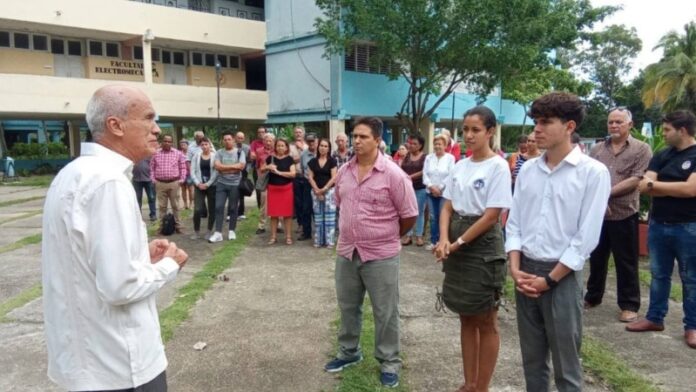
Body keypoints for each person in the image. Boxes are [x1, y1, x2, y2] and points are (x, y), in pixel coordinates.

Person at [42, 85, 188, 392]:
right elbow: (120, 285)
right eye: (148, 118)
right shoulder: (109, 182)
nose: (157, 129)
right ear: (115, 125)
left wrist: (138, 255)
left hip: (85, 362)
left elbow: (83, 260)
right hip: (122, 364)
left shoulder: (72, 174)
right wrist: (168, 265)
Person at [505, 92, 610, 391]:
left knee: (567, 363)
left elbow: (586, 237)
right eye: (536, 121)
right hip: (525, 269)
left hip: (561, 274)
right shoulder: (528, 171)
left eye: (546, 122)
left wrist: (550, 280)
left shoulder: (592, 173)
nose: (536, 129)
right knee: (532, 358)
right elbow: (515, 225)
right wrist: (515, 269)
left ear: (569, 126)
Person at [324, 117, 417, 388]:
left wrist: (386, 236)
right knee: (348, 306)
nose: (357, 141)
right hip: (347, 251)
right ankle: (349, 352)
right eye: (354, 136)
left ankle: (389, 361)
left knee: (385, 311)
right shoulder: (344, 171)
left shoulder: (394, 175)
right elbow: (341, 202)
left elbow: (409, 216)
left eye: (363, 136)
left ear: (378, 140)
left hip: (382, 255)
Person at [434, 106, 512, 392]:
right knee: (465, 315)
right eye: (465, 129)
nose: (468, 135)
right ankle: (469, 383)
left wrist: (456, 244)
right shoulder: (459, 165)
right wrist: (443, 238)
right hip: (456, 243)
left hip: (483, 247)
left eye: (475, 130)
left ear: (490, 132)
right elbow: (447, 206)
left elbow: (492, 215)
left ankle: (483, 386)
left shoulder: (498, 166)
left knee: (486, 318)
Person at [628, 110, 696, 350]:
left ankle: (692, 326)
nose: (663, 134)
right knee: (659, 274)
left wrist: (655, 185)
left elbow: (691, 190)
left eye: (667, 130)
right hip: (659, 224)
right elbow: (643, 186)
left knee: (691, 278)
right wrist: (663, 186)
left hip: (689, 226)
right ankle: (655, 318)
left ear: (683, 130)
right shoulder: (662, 154)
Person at [584, 107, 652, 323]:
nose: (613, 125)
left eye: (619, 122)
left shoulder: (641, 149)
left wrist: (603, 195)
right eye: (611, 121)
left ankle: (629, 304)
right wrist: (598, 200)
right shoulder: (596, 150)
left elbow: (636, 178)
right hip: (597, 214)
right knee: (596, 258)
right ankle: (593, 297)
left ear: (630, 125)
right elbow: (588, 177)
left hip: (624, 213)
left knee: (626, 261)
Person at [209, 132, 245, 243]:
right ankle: (218, 232)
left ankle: (231, 231)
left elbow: (241, 166)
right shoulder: (219, 152)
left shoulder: (239, 152)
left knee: (233, 208)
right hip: (221, 183)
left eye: (229, 139)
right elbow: (217, 166)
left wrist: (224, 168)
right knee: (218, 207)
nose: (227, 141)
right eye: (225, 139)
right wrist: (232, 168)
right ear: (222, 141)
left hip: (235, 184)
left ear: (233, 140)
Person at [423, 134, 455, 251]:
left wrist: (440, 188)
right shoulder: (428, 158)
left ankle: (443, 241)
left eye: (440, 144)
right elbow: (425, 174)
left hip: (444, 193)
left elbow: (451, 175)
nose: (437, 146)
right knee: (432, 217)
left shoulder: (450, 158)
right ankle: (433, 241)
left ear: (445, 145)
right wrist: (431, 186)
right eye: (435, 144)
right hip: (430, 192)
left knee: (443, 217)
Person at [150, 134, 187, 234]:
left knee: (176, 206)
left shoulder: (178, 153)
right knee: (162, 207)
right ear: (162, 142)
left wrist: (182, 179)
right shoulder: (155, 153)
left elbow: (183, 167)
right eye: (165, 141)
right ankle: (161, 227)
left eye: (169, 141)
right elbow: (152, 168)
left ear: (172, 143)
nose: (167, 143)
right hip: (160, 183)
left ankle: (179, 226)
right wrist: (153, 180)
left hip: (174, 183)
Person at [264, 138, 296, 245]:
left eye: (282, 145)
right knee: (273, 215)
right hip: (273, 189)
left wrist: (279, 172)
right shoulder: (270, 158)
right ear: (275, 147)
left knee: (287, 215)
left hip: (286, 189)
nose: (280, 147)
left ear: (286, 147)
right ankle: (273, 237)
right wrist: (268, 166)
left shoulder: (290, 159)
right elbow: (261, 169)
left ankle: (288, 237)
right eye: (278, 145)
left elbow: (293, 174)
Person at [308, 138, 338, 247]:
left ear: (329, 148)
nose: (323, 148)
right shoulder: (312, 161)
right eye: (321, 145)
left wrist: (324, 189)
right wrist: (317, 190)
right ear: (318, 146)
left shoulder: (332, 161)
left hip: (329, 191)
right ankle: (318, 241)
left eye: (326, 146)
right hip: (315, 192)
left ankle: (329, 241)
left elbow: (334, 177)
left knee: (330, 217)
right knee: (318, 217)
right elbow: (310, 177)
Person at [401, 134, 427, 246]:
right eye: (410, 143)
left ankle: (419, 236)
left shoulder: (425, 157)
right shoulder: (407, 156)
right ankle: (408, 235)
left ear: (420, 145)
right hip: (407, 188)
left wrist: (410, 177)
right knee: (407, 212)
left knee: (419, 212)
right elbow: (402, 168)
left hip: (420, 188)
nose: (411, 145)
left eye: (414, 144)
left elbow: (425, 171)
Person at [190, 137, 218, 240]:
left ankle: (209, 231)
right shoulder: (196, 156)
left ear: (210, 145)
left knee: (212, 210)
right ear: (200, 146)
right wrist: (198, 183)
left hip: (211, 186)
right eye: (202, 144)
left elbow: (216, 172)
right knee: (197, 209)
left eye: (206, 144)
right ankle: (196, 231)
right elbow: (192, 171)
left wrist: (208, 183)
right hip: (199, 186)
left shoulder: (215, 156)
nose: (205, 146)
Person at [250, 132, 275, 234]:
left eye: (270, 141)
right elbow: (257, 166)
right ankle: (261, 226)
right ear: (263, 141)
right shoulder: (259, 151)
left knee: (276, 202)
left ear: (273, 142)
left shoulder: (277, 150)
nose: (268, 143)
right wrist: (260, 176)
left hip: (276, 180)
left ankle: (277, 225)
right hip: (264, 179)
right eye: (266, 140)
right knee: (263, 203)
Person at [297, 133, 318, 241]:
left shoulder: (322, 152)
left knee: (318, 209)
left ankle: (319, 232)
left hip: (320, 184)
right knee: (306, 208)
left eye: (313, 141)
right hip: (307, 183)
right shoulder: (303, 154)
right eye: (309, 141)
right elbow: (301, 168)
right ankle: (306, 232)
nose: (311, 143)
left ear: (317, 141)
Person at [290, 126, 309, 235]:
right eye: (296, 132)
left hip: (306, 177)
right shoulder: (290, 146)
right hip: (295, 177)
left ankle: (308, 224)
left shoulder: (307, 146)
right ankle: (300, 224)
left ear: (303, 134)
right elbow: (288, 160)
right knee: (298, 203)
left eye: (300, 132)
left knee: (307, 203)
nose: (298, 134)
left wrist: (302, 150)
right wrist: (300, 158)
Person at [132, 157, 157, 222]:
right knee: (137, 198)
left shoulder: (149, 153)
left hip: (149, 180)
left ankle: (153, 214)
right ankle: (138, 215)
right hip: (136, 179)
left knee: (151, 197)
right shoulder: (133, 153)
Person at [234, 131, 251, 220]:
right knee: (232, 192)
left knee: (241, 192)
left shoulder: (247, 148)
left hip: (243, 172)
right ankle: (231, 213)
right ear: (235, 138)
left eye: (241, 138)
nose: (240, 139)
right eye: (238, 137)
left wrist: (246, 170)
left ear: (243, 139)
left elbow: (250, 161)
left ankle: (241, 212)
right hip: (232, 171)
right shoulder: (232, 147)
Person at [250, 126, 267, 209]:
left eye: (262, 132)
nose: (260, 134)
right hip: (257, 169)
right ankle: (260, 208)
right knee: (259, 189)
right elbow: (252, 156)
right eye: (259, 132)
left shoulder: (269, 142)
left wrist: (258, 154)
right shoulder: (254, 143)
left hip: (269, 170)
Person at [178, 139, 194, 209]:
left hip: (190, 173)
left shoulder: (191, 153)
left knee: (191, 189)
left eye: (184, 145)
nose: (182, 146)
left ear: (188, 145)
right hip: (181, 174)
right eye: (181, 145)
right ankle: (185, 204)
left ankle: (191, 203)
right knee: (183, 189)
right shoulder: (178, 153)